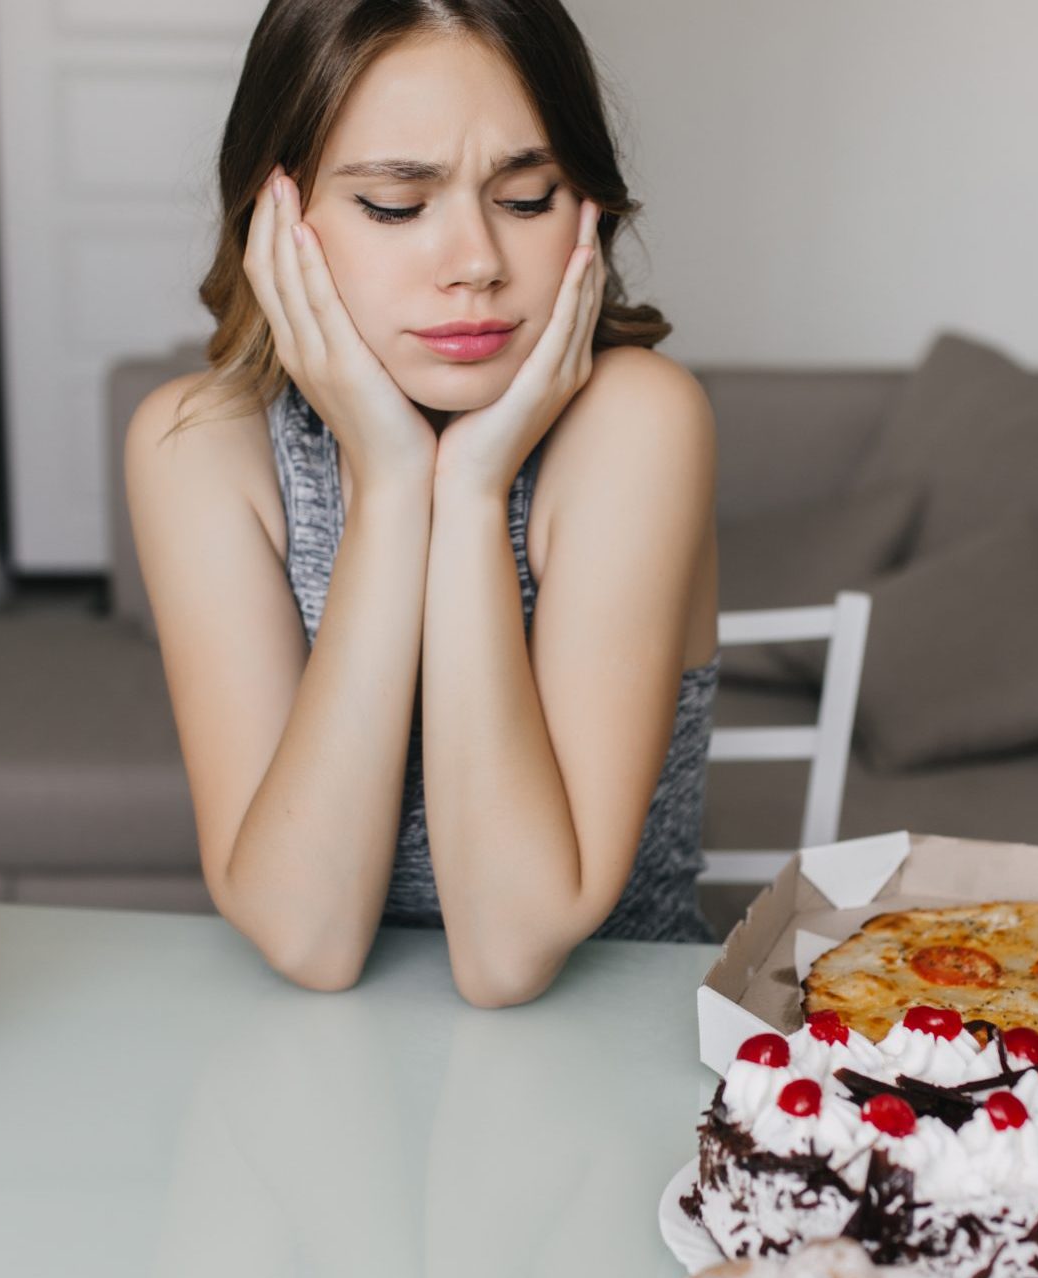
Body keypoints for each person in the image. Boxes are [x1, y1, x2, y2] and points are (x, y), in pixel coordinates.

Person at [122, 0, 720, 1007]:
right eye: (398, 206)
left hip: (606, 1053)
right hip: (320, 1071)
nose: (477, 262)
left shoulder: (638, 424)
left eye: (527, 198)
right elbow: (306, 933)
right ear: (277, 216)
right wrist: (393, 485)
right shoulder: (197, 447)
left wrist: (475, 488)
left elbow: (511, 948)